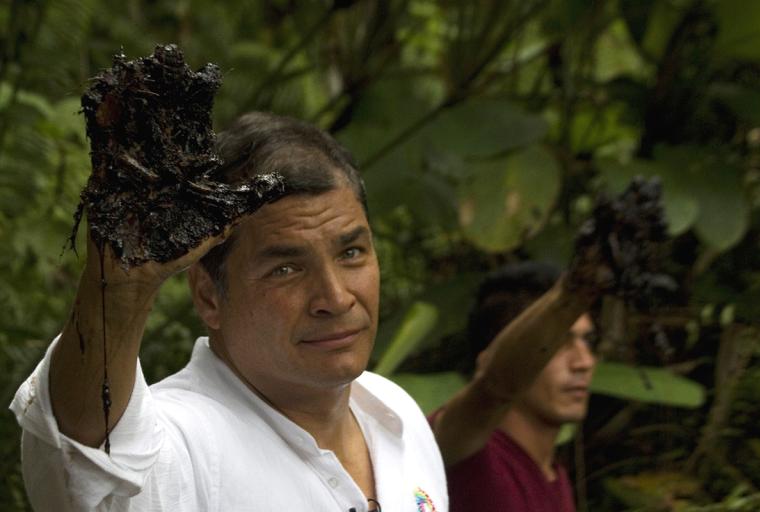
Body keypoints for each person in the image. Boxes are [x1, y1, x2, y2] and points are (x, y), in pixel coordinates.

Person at [10, 112, 447, 511]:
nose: (335, 298)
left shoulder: (395, 413)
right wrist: (117, 289)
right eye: (286, 268)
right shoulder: (181, 443)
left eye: (351, 252)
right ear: (208, 296)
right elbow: (84, 458)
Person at [430, 261, 598, 512]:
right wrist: (575, 290)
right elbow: (491, 387)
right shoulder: (463, 451)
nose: (584, 362)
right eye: (559, 343)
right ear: (493, 355)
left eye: (587, 341)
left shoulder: (554, 474)